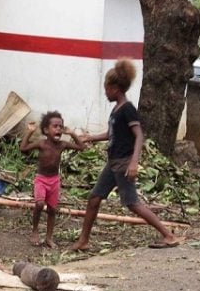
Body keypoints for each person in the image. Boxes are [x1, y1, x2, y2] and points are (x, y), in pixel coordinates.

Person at [71, 58, 183, 250]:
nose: (105, 92)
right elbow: (111, 134)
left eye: (106, 88)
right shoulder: (116, 110)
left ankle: (168, 235)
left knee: (132, 203)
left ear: (115, 88)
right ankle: (83, 241)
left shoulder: (128, 109)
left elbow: (139, 135)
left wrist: (134, 163)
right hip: (113, 163)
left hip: (123, 163)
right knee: (94, 198)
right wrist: (90, 138)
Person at [20, 111, 85, 248]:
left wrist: (72, 134)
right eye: (55, 126)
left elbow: (81, 147)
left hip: (54, 181)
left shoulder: (62, 145)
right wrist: (30, 132)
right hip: (41, 180)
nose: (59, 129)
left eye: (60, 127)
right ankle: (35, 231)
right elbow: (23, 148)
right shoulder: (42, 144)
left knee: (52, 210)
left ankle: (49, 238)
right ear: (46, 130)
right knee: (39, 204)